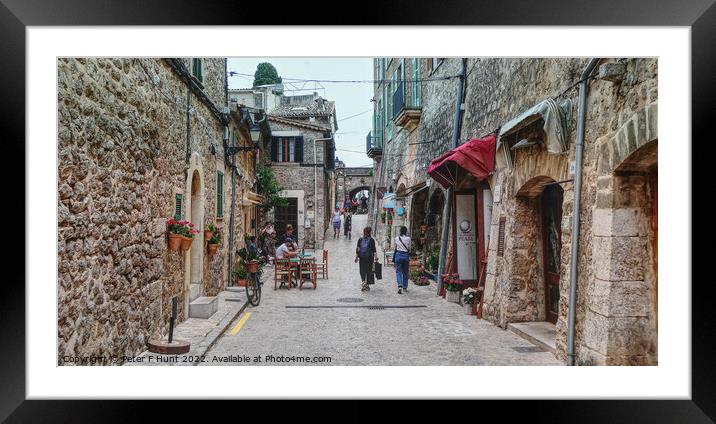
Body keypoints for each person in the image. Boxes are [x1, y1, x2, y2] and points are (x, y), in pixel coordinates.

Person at [355, 226, 377, 292]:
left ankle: (363, 281)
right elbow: (374, 250)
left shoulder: (360, 239)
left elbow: (358, 249)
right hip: (370, 258)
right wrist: (376, 257)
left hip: (362, 258)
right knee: (369, 271)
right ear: (370, 232)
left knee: (362, 270)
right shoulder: (372, 240)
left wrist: (356, 257)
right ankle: (367, 284)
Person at [394, 226, 411, 294]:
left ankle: (400, 286)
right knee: (405, 272)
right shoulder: (408, 239)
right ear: (406, 231)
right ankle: (405, 287)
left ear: (400, 231)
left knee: (398, 271)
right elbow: (409, 248)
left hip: (398, 255)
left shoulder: (396, 238)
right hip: (405, 255)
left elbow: (395, 247)